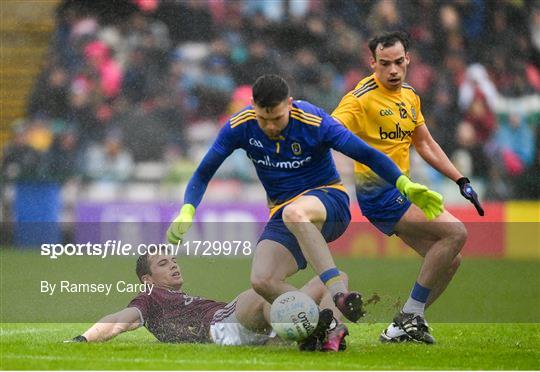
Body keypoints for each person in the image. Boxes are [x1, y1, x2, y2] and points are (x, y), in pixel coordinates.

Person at [167, 74, 444, 324]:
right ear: (253, 107)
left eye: (276, 118)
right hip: (284, 213)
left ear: (289, 104)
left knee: (294, 213)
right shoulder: (240, 125)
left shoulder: (314, 121)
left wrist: (404, 184)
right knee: (263, 280)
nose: (270, 126)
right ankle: (324, 324)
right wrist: (188, 210)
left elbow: (367, 154)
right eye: (263, 119)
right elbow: (203, 172)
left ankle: (337, 292)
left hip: (329, 202)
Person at [331, 31, 484, 344]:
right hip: (379, 195)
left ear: (408, 60)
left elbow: (425, 143)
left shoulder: (410, 96)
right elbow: (329, 130)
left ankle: (405, 323)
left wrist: (460, 179)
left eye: (399, 62)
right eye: (384, 63)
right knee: (456, 233)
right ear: (372, 62)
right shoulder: (360, 99)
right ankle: (410, 315)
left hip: (403, 191)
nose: (393, 70)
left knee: (450, 259)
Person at [65, 253, 348, 352]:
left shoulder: (176, 297)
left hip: (235, 322)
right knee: (259, 294)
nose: (174, 266)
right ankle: (306, 331)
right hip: (221, 326)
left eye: (173, 261)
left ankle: (329, 333)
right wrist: (83, 339)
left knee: (333, 279)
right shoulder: (150, 298)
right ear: (147, 279)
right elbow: (121, 320)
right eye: (163, 264)